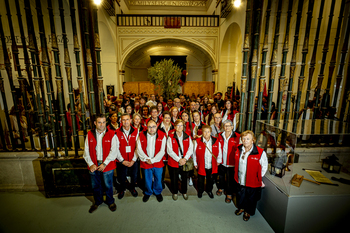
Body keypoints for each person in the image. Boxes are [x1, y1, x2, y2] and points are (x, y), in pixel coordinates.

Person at [83, 114, 118, 213]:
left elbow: (114, 151)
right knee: (95, 185)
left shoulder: (112, 134)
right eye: (99, 122)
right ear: (95, 123)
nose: (102, 124)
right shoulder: (90, 134)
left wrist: (105, 163)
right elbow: (86, 151)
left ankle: (110, 201)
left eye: (103, 122)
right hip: (94, 165)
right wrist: (90, 164)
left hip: (107, 164)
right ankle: (97, 202)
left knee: (108, 185)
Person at [234, 130, 268, 221]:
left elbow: (264, 166)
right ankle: (241, 208)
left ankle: (248, 212)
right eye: (243, 138)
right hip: (241, 178)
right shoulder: (238, 148)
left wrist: (258, 176)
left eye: (248, 139)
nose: (245, 140)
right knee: (240, 194)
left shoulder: (260, 152)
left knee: (251, 198)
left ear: (253, 140)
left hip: (253, 181)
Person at [136, 120, 167, 202]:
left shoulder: (162, 135)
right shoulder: (141, 135)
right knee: (147, 179)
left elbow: (162, 151)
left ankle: (157, 192)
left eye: (153, 127)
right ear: (147, 127)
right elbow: (139, 149)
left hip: (157, 161)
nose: (151, 129)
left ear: (156, 127)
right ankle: (148, 192)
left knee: (158, 178)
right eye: (149, 127)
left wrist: (153, 160)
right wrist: (146, 159)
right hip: (145, 161)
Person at [167, 119, 193, 201]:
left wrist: (184, 159)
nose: (179, 127)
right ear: (174, 127)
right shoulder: (171, 137)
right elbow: (169, 150)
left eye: (181, 125)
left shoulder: (187, 136)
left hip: (184, 162)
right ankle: (175, 192)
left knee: (184, 178)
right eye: (178, 125)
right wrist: (179, 159)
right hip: (174, 161)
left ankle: (184, 192)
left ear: (183, 127)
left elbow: (190, 148)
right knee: (174, 178)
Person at [193, 125, 222, 198]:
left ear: (210, 132)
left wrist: (219, 160)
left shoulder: (215, 140)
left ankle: (209, 190)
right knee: (200, 179)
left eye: (208, 132)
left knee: (210, 179)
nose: (206, 133)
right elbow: (194, 153)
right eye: (205, 131)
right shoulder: (197, 141)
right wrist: (195, 163)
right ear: (202, 132)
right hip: (202, 163)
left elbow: (220, 151)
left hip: (211, 164)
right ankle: (200, 191)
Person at [115, 113, 139, 199]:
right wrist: (122, 160)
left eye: (127, 119)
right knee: (121, 176)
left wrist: (133, 160)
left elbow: (138, 147)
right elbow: (116, 148)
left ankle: (132, 188)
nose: (125, 122)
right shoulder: (117, 132)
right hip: (121, 160)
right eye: (123, 120)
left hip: (133, 159)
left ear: (130, 120)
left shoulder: (136, 131)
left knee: (134, 175)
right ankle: (122, 189)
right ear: (121, 121)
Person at [217, 120, 240, 203]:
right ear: (223, 127)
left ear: (232, 127)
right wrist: (218, 159)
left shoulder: (237, 136)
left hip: (232, 163)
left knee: (230, 179)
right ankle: (221, 187)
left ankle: (229, 193)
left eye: (229, 126)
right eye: (225, 126)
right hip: (222, 161)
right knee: (221, 176)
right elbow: (218, 148)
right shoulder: (220, 135)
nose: (227, 127)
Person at [158, 111, 174, 189]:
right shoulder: (158, 127)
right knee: (162, 169)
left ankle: (172, 183)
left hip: (171, 151)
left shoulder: (174, 127)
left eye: (169, 117)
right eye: (165, 117)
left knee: (171, 169)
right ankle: (161, 181)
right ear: (162, 118)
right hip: (162, 151)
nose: (167, 119)